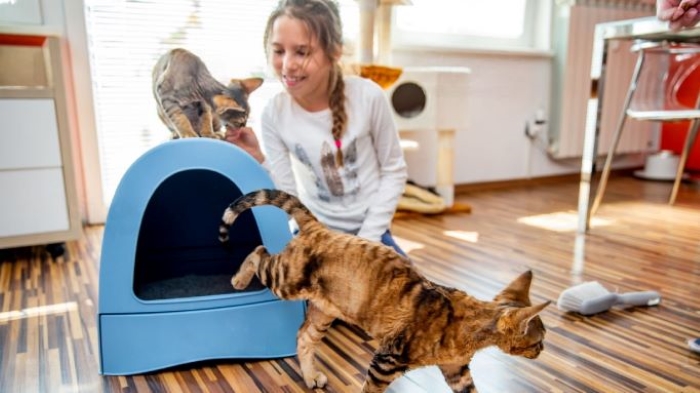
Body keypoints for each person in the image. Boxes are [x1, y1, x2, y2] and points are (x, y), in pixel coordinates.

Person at [225, 0, 408, 256]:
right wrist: (260, 158)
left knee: (409, 293)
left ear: (334, 52)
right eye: (279, 51)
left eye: (302, 52)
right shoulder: (274, 113)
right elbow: (286, 195)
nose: (288, 65)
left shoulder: (368, 96)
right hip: (313, 233)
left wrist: (365, 243)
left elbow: (394, 170)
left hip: (371, 234)